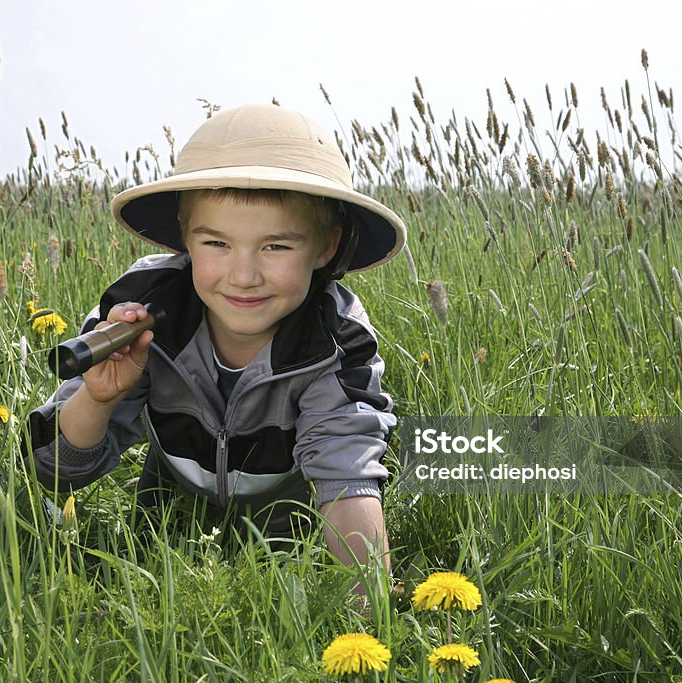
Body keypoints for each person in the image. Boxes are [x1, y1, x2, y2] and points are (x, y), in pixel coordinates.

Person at [23, 103, 406, 577]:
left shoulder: (334, 341)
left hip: (284, 541)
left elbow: (346, 477)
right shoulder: (139, 311)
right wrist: (100, 398)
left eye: (276, 246)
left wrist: (371, 618)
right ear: (185, 237)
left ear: (325, 246)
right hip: (164, 532)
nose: (244, 276)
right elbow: (56, 472)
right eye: (217, 244)